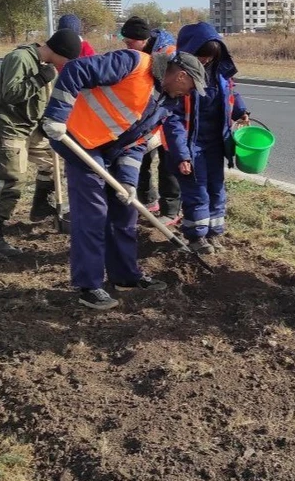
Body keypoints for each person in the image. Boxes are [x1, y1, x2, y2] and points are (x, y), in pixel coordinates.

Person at [42, 49, 206, 310]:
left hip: (111, 149)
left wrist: (128, 182)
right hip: (77, 137)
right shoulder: (133, 63)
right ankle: (89, 286)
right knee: (93, 213)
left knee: (125, 211)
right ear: (181, 76)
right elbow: (75, 70)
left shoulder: (165, 102)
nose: (190, 93)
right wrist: (56, 115)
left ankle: (126, 277)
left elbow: (137, 144)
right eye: (191, 86)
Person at [0, 29, 83, 255]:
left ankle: (40, 207)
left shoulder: (46, 66)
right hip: (6, 127)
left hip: (28, 127)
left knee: (52, 160)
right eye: (68, 59)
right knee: (11, 179)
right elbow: (11, 94)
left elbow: (39, 101)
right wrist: (40, 78)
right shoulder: (20, 58)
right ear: (60, 52)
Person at [164, 22, 249, 255]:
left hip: (215, 143)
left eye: (209, 57)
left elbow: (232, 93)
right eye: (201, 57)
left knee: (216, 189)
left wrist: (241, 111)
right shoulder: (179, 77)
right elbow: (173, 120)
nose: (204, 62)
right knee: (197, 191)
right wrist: (182, 155)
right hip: (191, 146)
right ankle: (196, 237)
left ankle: (214, 233)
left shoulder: (220, 72)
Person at [136, 28, 183, 225]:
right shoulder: (150, 55)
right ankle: (148, 201)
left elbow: (165, 87)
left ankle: (171, 210)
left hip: (168, 118)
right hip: (152, 118)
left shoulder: (165, 54)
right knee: (144, 160)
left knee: (168, 165)